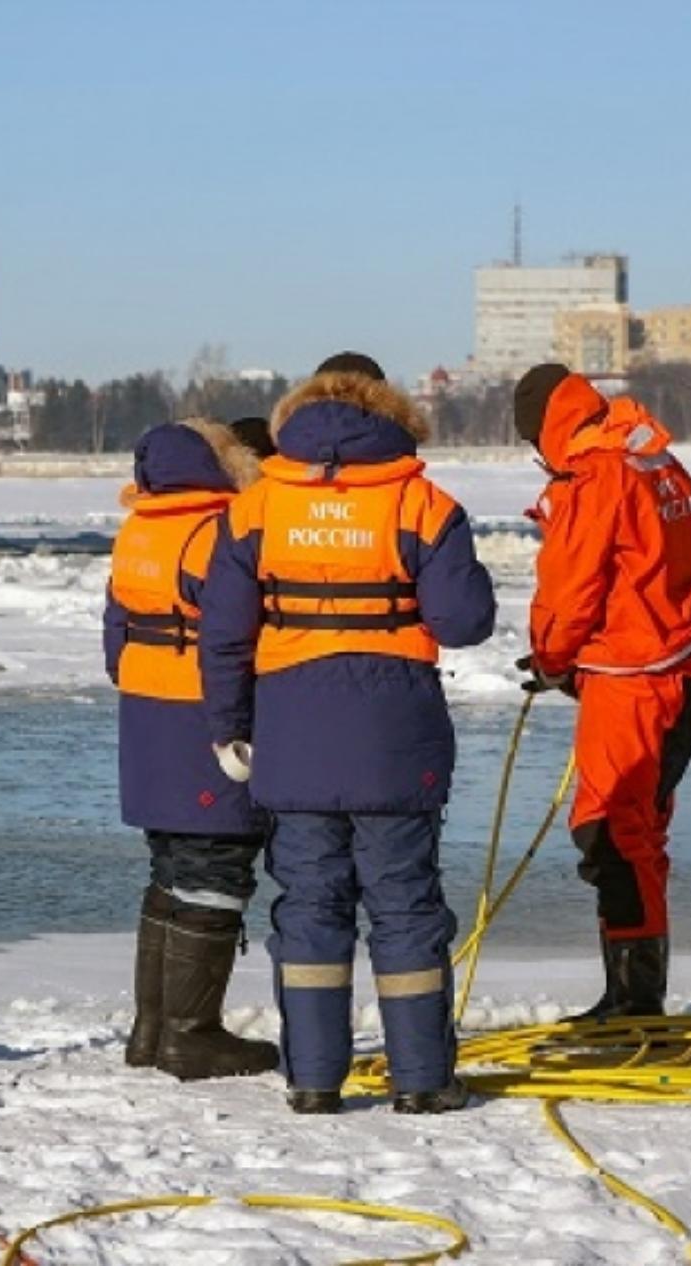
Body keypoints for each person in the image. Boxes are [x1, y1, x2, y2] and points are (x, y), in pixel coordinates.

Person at [199, 353, 497, 1114]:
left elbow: (225, 634)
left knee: (308, 906)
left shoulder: (256, 508)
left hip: (293, 736)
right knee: (404, 906)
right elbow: (465, 623)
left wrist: (229, 725)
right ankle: (424, 1080)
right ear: (390, 415)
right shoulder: (422, 504)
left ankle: (313, 1080)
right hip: (396, 738)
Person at [512, 363, 691, 1020]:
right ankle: (633, 996)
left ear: (542, 430)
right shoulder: (651, 456)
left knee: (609, 831)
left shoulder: (596, 474)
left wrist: (552, 657)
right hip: (685, 669)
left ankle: (634, 1005)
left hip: (638, 680)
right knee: (637, 836)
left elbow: (571, 588)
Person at [104, 417, 280, 1081]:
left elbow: (114, 632)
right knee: (214, 865)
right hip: (202, 716)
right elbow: (233, 633)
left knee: (171, 866)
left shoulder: (138, 528)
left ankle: (152, 1028)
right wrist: (237, 722)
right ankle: (189, 1033)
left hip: (145, 713)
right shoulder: (220, 531)